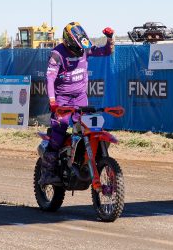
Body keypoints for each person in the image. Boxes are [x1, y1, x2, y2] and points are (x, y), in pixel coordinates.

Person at [39, 22, 115, 186]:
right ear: (68, 41)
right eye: (77, 47)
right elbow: (49, 78)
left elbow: (105, 51)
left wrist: (109, 39)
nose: (81, 51)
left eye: (82, 47)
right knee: (60, 129)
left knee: (91, 128)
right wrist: (52, 101)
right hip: (62, 98)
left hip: (80, 97)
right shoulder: (57, 54)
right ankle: (47, 172)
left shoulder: (84, 47)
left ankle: (88, 161)